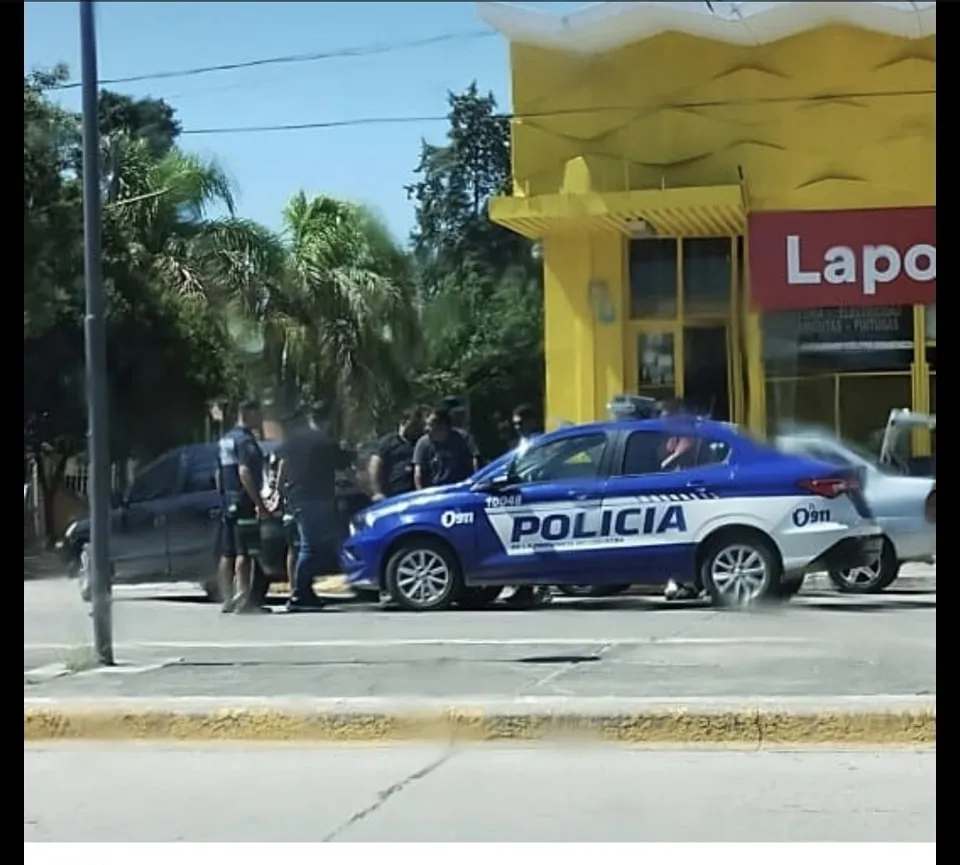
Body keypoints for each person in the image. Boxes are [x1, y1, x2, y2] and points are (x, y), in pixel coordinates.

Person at [276, 403, 351, 613]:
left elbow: (283, 464)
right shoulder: (327, 442)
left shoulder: (294, 439)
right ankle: (299, 594)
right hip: (318, 499)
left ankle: (305, 591)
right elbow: (347, 470)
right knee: (310, 547)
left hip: (298, 498)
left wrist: (280, 489)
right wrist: (370, 490)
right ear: (327, 420)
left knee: (312, 546)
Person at [215, 399, 269, 615]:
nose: (261, 419)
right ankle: (244, 599)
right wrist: (259, 503)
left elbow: (219, 474)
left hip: (227, 501)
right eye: (258, 414)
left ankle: (227, 599)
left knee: (227, 553)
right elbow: (245, 472)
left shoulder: (225, 440)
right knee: (243, 552)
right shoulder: (246, 441)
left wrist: (223, 497)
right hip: (243, 501)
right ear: (247, 414)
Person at [503, 403, 550, 610]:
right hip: (520, 496)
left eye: (521, 423)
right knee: (524, 545)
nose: (518, 427)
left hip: (537, 496)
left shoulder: (541, 442)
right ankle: (524, 588)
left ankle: (541, 587)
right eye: (515, 424)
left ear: (532, 421)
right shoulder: (520, 443)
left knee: (540, 543)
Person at [368, 407, 425, 501]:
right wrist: (376, 492)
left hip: (417, 494)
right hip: (393, 495)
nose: (416, 428)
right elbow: (375, 466)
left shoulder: (420, 442)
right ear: (403, 422)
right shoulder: (387, 442)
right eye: (414, 424)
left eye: (419, 425)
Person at [413, 407, 476, 490]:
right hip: (434, 490)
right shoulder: (423, 443)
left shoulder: (462, 438)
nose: (426, 429)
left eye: (430, 425)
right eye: (426, 425)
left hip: (459, 488)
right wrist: (420, 493)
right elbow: (418, 472)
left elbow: (474, 461)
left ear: (442, 426)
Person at [443, 396, 481, 472]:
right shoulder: (434, 436)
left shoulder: (464, 435)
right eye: (456, 414)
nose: (460, 416)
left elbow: (474, 456)